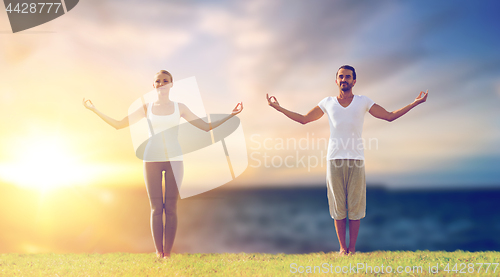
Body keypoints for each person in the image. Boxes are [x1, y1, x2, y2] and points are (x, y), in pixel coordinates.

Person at [266, 65, 428, 256]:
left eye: (348, 77)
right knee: (338, 207)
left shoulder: (363, 101)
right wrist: (278, 108)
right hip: (334, 160)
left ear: (354, 81)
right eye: (341, 77)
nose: (344, 80)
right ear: (336, 81)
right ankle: (343, 249)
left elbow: (389, 116)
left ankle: (352, 249)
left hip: (356, 160)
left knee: (355, 207)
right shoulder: (327, 102)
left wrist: (415, 103)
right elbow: (303, 119)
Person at [83, 70, 243, 259]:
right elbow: (119, 124)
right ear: (154, 85)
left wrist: (231, 115)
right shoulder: (146, 108)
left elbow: (205, 127)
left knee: (171, 208)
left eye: (165, 80)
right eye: (158, 81)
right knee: (156, 209)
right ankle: (159, 253)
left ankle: (167, 254)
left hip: (175, 159)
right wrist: (94, 110)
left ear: (171, 84)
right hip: (151, 158)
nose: (161, 83)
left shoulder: (180, 107)